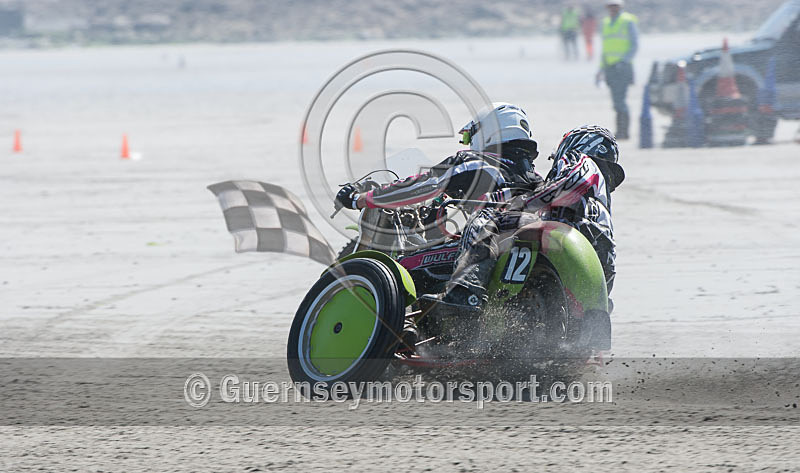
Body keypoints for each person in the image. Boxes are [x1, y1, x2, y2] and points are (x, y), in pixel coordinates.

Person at [596, 0, 638, 140]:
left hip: (623, 68)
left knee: (621, 101)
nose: (612, 8)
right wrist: (600, 69)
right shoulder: (606, 23)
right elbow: (605, 49)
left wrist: (623, 61)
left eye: (615, 6)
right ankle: (620, 130)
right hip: (610, 68)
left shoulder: (627, 21)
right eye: (610, 6)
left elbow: (634, 45)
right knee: (616, 101)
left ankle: (624, 131)